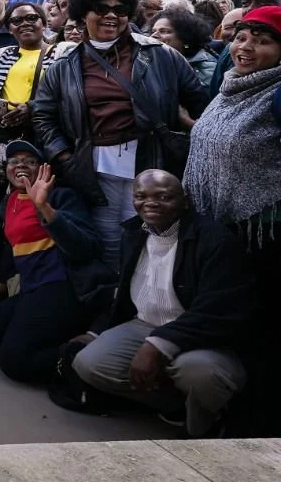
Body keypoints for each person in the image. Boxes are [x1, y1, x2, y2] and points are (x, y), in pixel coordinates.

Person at [31, 0, 209, 267]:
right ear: (82, 14)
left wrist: (188, 126)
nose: (112, 16)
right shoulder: (63, 65)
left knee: (150, 235)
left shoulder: (161, 55)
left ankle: (151, 299)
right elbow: (43, 114)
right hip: (94, 166)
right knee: (107, 239)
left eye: (120, 9)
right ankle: (113, 298)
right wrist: (64, 156)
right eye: (101, 9)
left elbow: (201, 102)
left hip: (151, 159)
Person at [70, 170, 254, 438]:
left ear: (185, 201)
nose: (150, 203)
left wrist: (157, 345)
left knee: (198, 373)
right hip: (145, 324)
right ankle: (177, 405)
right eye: (141, 196)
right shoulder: (133, 233)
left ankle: (207, 428)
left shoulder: (215, 240)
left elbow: (218, 309)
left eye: (163, 196)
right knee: (89, 362)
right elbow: (121, 296)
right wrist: (96, 331)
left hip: (201, 334)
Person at [183, 4, 281, 431]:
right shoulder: (231, 85)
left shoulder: (276, 94)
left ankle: (254, 425)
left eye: (263, 40)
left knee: (262, 333)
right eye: (242, 37)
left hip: (265, 239)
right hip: (223, 234)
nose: (246, 47)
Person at [0, 141, 115, 384]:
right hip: (32, 288)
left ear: (44, 169)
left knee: (14, 362)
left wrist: (44, 207)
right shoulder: (9, 202)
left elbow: (87, 247)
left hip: (63, 287)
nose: (20, 165)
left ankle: (82, 358)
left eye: (30, 161)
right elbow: (12, 249)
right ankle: (46, 339)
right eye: (14, 161)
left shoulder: (61, 197)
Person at [0, 1, 54, 203]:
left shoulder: (61, 54)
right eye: (16, 20)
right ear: (10, 28)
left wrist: (31, 108)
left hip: (41, 137)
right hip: (2, 140)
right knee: (3, 200)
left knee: (41, 198)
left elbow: (66, 98)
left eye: (31, 18)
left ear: (43, 24)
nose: (24, 23)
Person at [150, 9, 218, 93]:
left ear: (185, 37)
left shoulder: (207, 68)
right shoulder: (145, 63)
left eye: (164, 31)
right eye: (153, 31)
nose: (154, 35)